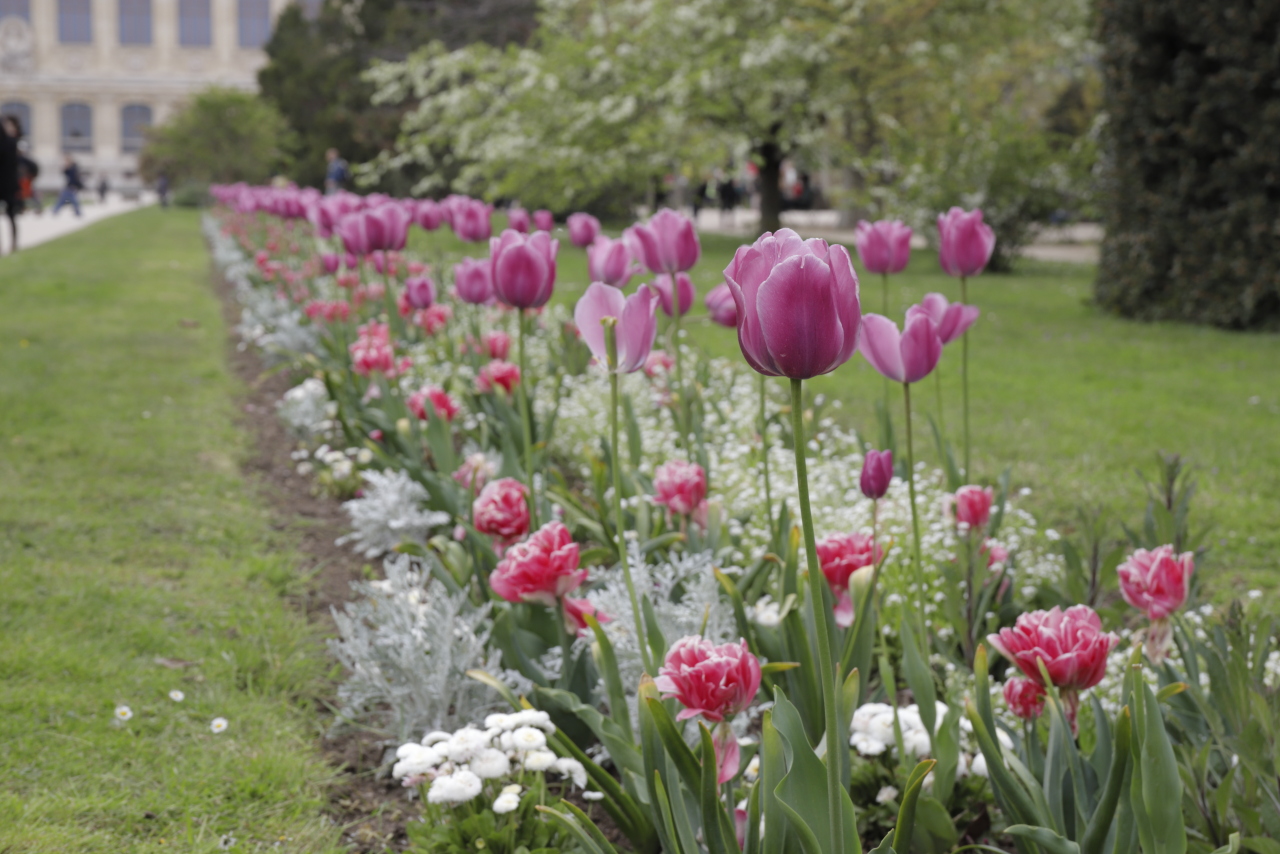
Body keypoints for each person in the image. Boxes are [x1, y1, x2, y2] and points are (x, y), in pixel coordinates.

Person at [0, 114, 20, 255]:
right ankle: (13, 244)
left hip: (5, 184)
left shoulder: (10, 143)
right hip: (10, 184)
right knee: (11, 216)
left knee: (11, 215)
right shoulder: (12, 143)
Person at [17, 139, 41, 214]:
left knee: (30, 193)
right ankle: (21, 208)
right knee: (20, 195)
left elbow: (34, 169)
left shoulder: (26, 160)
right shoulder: (18, 159)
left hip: (26, 180)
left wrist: (31, 177)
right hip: (19, 180)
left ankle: (37, 207)